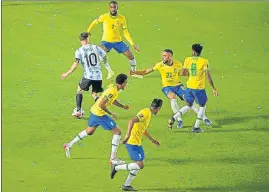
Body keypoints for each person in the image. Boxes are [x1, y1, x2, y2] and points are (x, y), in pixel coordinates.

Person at [130, 49, 211, 129]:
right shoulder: (159, 65)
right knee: (172, 97)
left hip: (178, 86)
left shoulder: (178, 64)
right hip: (167, 87)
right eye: (162, 56)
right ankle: (179, 120)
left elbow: (184, 73)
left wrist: (195, 73)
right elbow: (146, 71)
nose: (162, 57)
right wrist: (135, 72)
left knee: (189, 101)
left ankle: (204, 118)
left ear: (170, 57)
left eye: (164, 56)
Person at [63, 74, 129, 165]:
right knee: (118, 132)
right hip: (99, 114)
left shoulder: (114, 89)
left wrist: (122, 106)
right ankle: (113, 158)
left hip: (94, 111)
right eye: (126, 82)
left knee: (89, 131)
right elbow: (102, 104)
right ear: (121, 83)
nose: (126, 84)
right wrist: (111, 113)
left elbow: (112, 100)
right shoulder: (112, 91)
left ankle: (69, 145)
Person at [110, 99, 162, 191]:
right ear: (158, 108)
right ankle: (116, 167)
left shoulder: (148, 113)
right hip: (132, 142)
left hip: (137, 142)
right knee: (140, 165)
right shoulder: (146, 112)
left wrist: (152, 140)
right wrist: (127, 136)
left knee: (138, 164)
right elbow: (131, 120)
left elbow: (143, 129)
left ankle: (126, 185)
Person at [86, 1, 142, 79]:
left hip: (118, 41)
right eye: (111, 7)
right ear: (109, 8)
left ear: (117, 8)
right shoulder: (104, 17)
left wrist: (132, 43)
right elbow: (94, 22)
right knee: (100, 53)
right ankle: (110, 71)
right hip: (106, 41)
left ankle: (133, 72)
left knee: (130, 56)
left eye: (114, 7)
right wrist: (88, 31)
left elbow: (125, 32)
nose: (113, 9)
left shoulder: (122, 18)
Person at [61, 32, 109, 118]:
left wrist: (67, 73)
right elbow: (104, 55)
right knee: (95, 95)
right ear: (88, 39)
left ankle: (78, 111)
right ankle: (102, 110)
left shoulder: (79, 51)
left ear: (80, 41)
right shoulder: (95, 47)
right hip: (98, 76)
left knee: (79, 90)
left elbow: (75, 64)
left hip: (88, 76)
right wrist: (105, 64)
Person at [174, 44, 218, 133]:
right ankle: (196, 127)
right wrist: (213, 88)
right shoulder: (204, 61)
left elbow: (182, 73)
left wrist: (191, 74)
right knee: (202, 106)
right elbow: (208, 76)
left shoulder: (187, 59)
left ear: (193, 51)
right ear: (200, 52)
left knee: (189, 105)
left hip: (189, 86)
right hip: (198, 88)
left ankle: (173, 118)